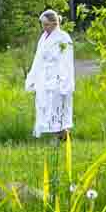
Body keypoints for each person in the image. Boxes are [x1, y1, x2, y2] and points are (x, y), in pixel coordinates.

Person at [25, 8, 76, 138]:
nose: (44, 27)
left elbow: (67, 61)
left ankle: (63, 136)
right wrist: (32, 77)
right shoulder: (43, 38)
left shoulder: (63, 38)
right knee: (46, 107)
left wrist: (65, 81)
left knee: (58, 108)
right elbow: (38, 58)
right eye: (43, 25)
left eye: (47, 24)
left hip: (58, 78)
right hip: (44, 78)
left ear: (55, 23)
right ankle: (57, 136)